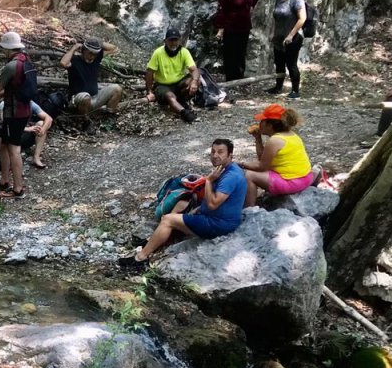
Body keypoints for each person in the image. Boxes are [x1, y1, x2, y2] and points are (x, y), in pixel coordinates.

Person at [118, 138, 247, 270]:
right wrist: (200, 208)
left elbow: (213, 204)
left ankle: (140, 259)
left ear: (230, 155)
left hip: (219, 225)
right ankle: (154, 242)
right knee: (182, 210)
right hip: (219, 218)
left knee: (167, 219)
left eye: (220, 152)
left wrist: (208, 181)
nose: (215, 155)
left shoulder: (230, 177)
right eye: (213, 151)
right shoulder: (227, 169)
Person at [0, 31, 33, 199]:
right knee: (1, 142)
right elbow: (17, 87)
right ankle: (5, 180)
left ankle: (18, 189)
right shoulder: (26, 61)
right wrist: (2, 94)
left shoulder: (11, 66)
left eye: (3, 48)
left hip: (15, 113)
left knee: (14, 149)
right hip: (22, 109)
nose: (3, 51)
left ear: (8, 48)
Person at [240, 104, 314, 205]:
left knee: (249, 175)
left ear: (270, 126)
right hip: (306, 177)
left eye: (262, 121)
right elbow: (262, 158)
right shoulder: (292, 135)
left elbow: (262, 167)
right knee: (254, 169)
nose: (259, 124)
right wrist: (258, 138)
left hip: (293, 182)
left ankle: (249, 210)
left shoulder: (275, 141)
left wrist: (242, 164)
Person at [60, 37, 124, 124]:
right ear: (83, 50)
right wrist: (74, 48)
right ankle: (86, 122)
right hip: (78, 99)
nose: (92, 56)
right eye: (90, 53)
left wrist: (97, 42)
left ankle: (109, 117)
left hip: (95, 97)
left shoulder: (96, 59)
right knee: (85, 97)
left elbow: (114, 48)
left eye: (95, 54)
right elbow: (63, 63)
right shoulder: (75, 60)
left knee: (117, 88)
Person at [144, 28, 200, 123]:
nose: (173, 43)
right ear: (165, 41)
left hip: (179, 83)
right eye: (171, 40)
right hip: (163, 85)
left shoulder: (184, 52)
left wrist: (194, 82)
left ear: (179, 41)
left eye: (176, 40)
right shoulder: (158, 53)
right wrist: (149, 91)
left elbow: (194, 69)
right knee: (170, 96)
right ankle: (185, 113)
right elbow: (150, 72)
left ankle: (182, 101)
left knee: (197, 78)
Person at [214, 0, 258, 81]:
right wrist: (221, 29)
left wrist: (248, 10)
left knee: (241, 53)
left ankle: (240, 78)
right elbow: (222, 10)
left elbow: (254, 0)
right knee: (230, 54)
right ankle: (230, 80)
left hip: (245, 28)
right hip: (231, 28)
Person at [267, 0, 307, 100]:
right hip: (279, 36)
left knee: (291, 64)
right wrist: (273, 32)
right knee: (279, 63)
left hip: (293, 37)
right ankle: (278, 87)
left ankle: (295, 91)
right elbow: (275, 16)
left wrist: (291, 35)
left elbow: (302, 18)